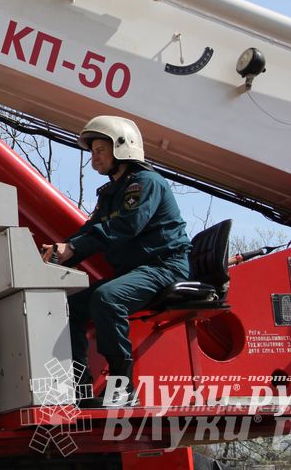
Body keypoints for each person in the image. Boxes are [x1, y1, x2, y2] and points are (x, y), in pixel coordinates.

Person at [42, 116, 191, 407]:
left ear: (123, 148)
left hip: (166, 266)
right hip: (141, 270)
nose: (93, 157)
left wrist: (73, 247)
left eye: (100, 150)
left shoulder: (145, 183)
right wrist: (60, 254)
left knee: (107, 298)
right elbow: (90, 231)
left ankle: (122, 389)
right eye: (92, 151)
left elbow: (125, 227)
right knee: (71, 305)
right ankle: (80, 387)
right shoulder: (111, 193)